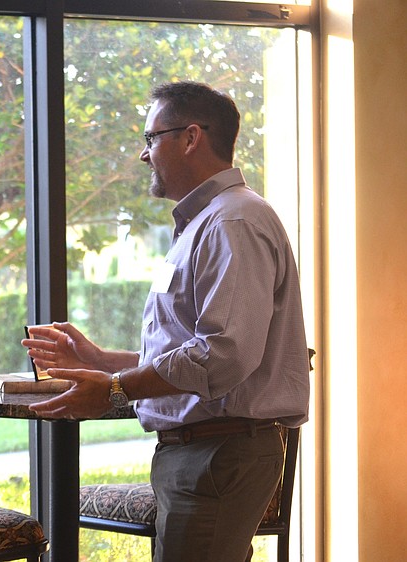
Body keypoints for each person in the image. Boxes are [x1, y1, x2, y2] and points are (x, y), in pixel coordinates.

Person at [22, 81, 309, 562]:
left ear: (191, 137)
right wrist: (99, 360)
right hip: (203, 453)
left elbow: (223, 356)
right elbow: (194, 350)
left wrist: (116, 387)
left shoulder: (232, 222)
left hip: (218, 455)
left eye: (151, 138)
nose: (144, 154)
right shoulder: (207, 223)